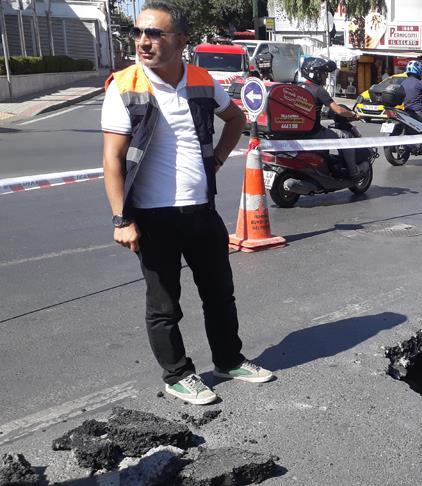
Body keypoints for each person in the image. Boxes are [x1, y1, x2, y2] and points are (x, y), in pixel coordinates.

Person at [101, 1, 274, 406]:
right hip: (153, 216)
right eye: (139, 33)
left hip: (201, 210)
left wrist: (215, 161)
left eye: (155, 33)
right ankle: (178, 374)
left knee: (219, 294)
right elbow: (111, 159)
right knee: (164, 305)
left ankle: (229, 360)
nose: (144, 42)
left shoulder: (201, 80)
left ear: (180, 41)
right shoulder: (124, 87)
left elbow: (234, 119)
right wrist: (120, 219)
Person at [298, 56, 364, 182]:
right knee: (345, 136)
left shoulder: (298, 87)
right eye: (323, 73)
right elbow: (338, 110)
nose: (326, 77)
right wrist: (353, 115)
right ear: (316, 73)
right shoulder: (319, 90)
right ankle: (353, 172)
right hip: (314, 133)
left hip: (299, 132)